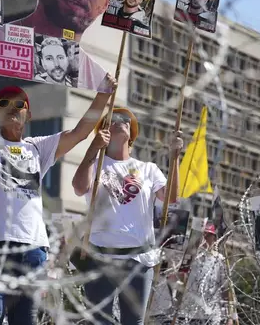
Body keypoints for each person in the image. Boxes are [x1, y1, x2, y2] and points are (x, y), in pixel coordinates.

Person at [0, 77, 116, 325]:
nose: (12, 108)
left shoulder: (37, 148)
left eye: (19, 105)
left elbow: (80, 132)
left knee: (25, 320)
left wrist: (103, 95)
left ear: (29, 115)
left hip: (32, 250)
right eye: (4, 103)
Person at [71, 107, 183, 324]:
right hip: (99, 258)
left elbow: (171, 197)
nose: (120, 121)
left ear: (131, 134)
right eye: (113, 119)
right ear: (103, 131)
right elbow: (78, 187)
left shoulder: (148, 169)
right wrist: (92, 149)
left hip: (138, 260)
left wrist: (175, 157)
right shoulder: (95, 165)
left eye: (125, 120)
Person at [173, 224, 233, 325]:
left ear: (214, 238)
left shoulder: (219, 260)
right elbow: (179, 281)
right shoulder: (189, 257)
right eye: (202, 235)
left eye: (208, 235)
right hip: (187, 314)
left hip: (210, 315)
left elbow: (226, 290)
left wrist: (230, 317)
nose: (204, 238)